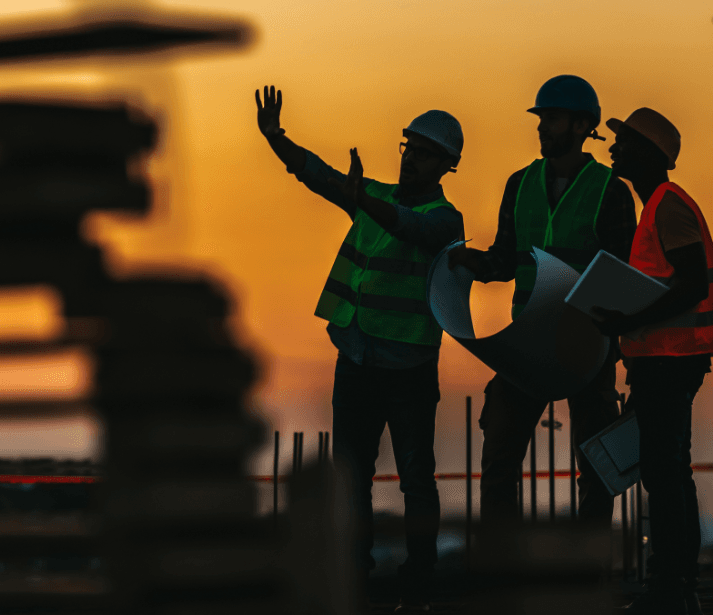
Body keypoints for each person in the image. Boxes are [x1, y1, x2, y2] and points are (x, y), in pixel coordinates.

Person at [254, 84, 464, 610]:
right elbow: (319, 176)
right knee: (351, 477)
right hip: (357, 358)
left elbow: (411, 227)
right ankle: (354, 578)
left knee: (416, 478)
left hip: (408, 367)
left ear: (445, 165)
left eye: (422, 152)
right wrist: (277, 138)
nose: (411, 158)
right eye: (408, 147)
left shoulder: (446, 219)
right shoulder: (373, 196)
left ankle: (419, 585)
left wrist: (363, 198)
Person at [448, 75, 637, 528]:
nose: (542, 127)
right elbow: (508, 256)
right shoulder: (520, 184)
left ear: (580, 125)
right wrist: (478, 264)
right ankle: (504, 576)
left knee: (596, 467)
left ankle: (585, 577)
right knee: (498, 461)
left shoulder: (609, 190)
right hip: (528, 343)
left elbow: (622, 276)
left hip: (587, 345)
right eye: (542, 119)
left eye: (551, 119)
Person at [591, 108, 713, 615]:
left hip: (672, 359)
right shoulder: (656, 207)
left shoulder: (667, 205)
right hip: (663, 358)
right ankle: (674, 581)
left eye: (625, 143)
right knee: (667, 469)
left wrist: (628, 319)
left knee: (665, 472)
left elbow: (693, 282)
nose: (614, 150)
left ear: (650, 154)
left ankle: (670, 584)